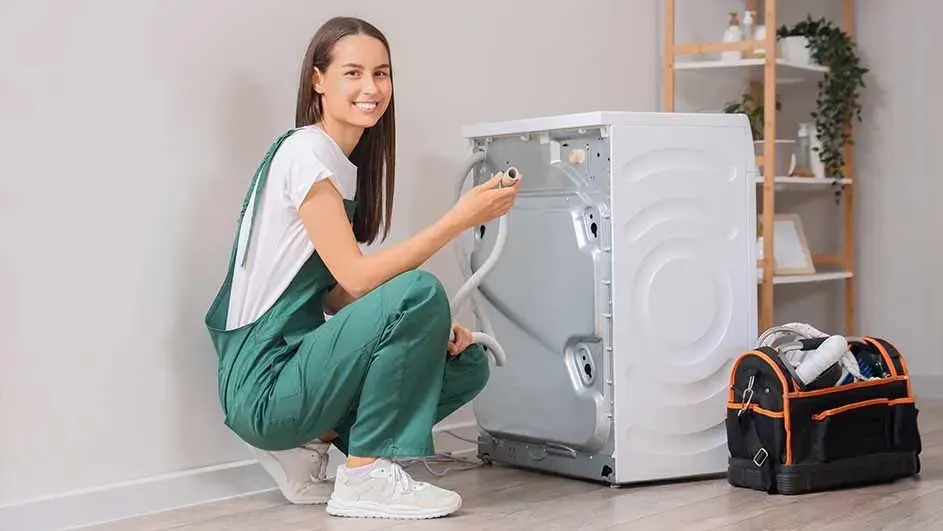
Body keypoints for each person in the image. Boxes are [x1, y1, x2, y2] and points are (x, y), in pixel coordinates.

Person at [203, 16, 520, 520]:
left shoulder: (336, 163)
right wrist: (459, 220)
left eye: (381, 73)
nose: (371, 88)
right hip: (262, 381)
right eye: (353, 73)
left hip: (293, 368)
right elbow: (356, 278)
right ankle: (366, 476)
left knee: (467, 364)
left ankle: (318, 445)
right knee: (418, 291)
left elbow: (334, 297)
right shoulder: (305, 152)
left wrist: (424, 328)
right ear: (317, 80)